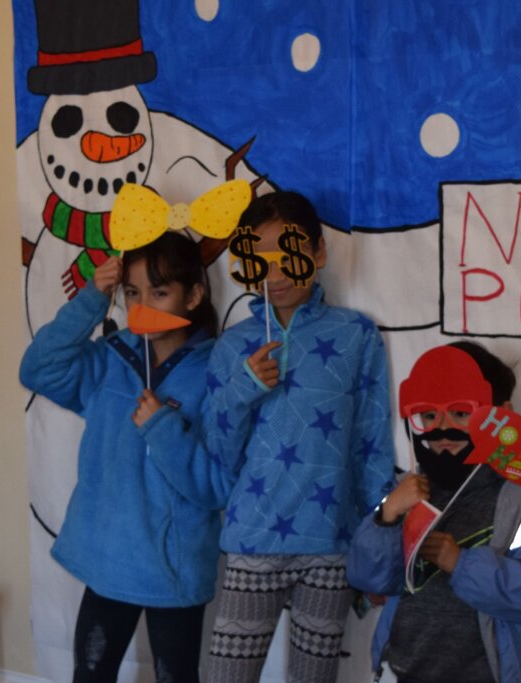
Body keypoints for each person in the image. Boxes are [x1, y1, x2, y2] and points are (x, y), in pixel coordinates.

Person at [19, 232, 228, 683]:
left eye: (159, 291)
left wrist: (161, 427)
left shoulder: (219, 374)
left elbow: (214, 487)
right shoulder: (111, 358)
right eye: (132, 292)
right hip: (108, 561)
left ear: (194, 294)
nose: (142, 304)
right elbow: (37, 369)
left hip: (174, 571)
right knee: (90, 675)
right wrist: (94, 299)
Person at [204, 191, 395, 682]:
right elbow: (219, 449)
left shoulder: (357, 335)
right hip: (252, 538)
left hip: (329, 543)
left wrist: (375, 535)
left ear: (318, 252)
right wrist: (244, 387)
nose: (276, 272)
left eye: (288, 253)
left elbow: (371, 442)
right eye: (258, 259)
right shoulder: (233, 345)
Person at [347, 342, 521, 683]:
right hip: (405, 672)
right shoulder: (405, 491)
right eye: (429, 415)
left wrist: (461, 564)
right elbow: (368, 579)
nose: (442, 428)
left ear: (502, 415)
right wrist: (387, 515)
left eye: (462, 413)